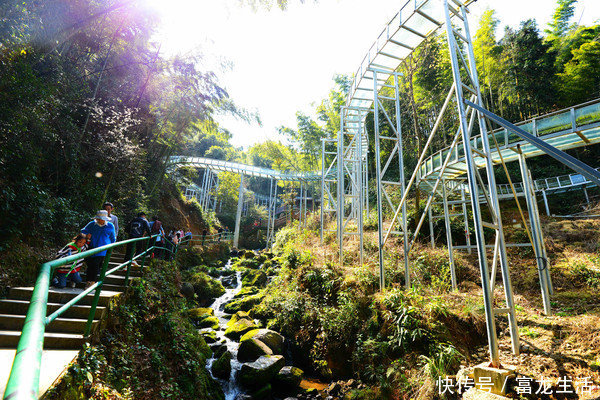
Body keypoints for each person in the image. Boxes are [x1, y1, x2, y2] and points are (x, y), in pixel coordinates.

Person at [81, 210, 116, 288]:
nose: (100, 220)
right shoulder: (91, 224)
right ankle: (88, 281)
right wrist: (86, 236)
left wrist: (110, 247)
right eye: (98, 219)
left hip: (102, 250)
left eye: (102, 219)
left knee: (96, 265)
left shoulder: (110, 226)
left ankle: (92, 282)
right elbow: (83, 231)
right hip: (91, 248)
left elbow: (113, 238)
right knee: (90, 265)